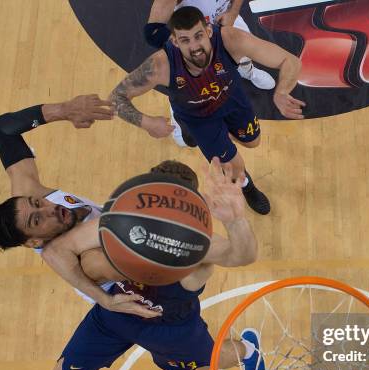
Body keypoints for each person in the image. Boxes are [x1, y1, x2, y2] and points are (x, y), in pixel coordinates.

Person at [38, 158, 265, 370]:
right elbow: (54, 251)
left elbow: (242, 256)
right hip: (115, 316)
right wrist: (104, 299)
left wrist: (237, 219)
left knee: (207, 365)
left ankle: (248, 351)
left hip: (171, 329)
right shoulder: (122, 219)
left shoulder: (196, 245)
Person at [110, 6, 305, 216]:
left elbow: (290, 60)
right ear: (175, 42)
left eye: (198, 36)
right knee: (233, 167)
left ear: (209, 32)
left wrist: (281, 92)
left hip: (231, 100)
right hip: (199, 118)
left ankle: (215, 135)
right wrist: (146, 122)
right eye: (185, 40)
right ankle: (248, 186)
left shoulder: (230, 39)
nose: (195, 47)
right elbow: (116, 97)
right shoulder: (161, 65)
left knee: (253, 141)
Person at [0, 95, 114, 252]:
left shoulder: (26, 204)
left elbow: (2, 130)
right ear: (34, 242)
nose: (48, 209)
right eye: (36, 220)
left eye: (37, 203)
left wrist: (64, 110)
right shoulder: (85, 257)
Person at [145, 0, 276, 90]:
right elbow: (153, 33)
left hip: (226, 18)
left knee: (244, 51)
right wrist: (187, 39)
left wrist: (233, 13)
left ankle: (247, 72)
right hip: (195, 34)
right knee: (200, 80)